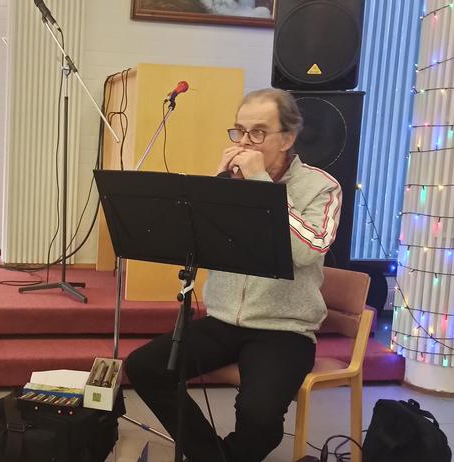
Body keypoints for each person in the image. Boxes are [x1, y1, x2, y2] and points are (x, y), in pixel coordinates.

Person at [125, 88, 342, 462]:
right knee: (144, 367)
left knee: (259, 416)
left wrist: (261, 184)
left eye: (258, 132)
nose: (244, 142)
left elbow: (309, 249)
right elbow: (196, 240)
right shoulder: (229, 181)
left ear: (287, 138)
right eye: (239, 131)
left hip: (284, 329)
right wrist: (214, 188)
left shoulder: (321, 187)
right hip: (223, 320)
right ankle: (213, 456)